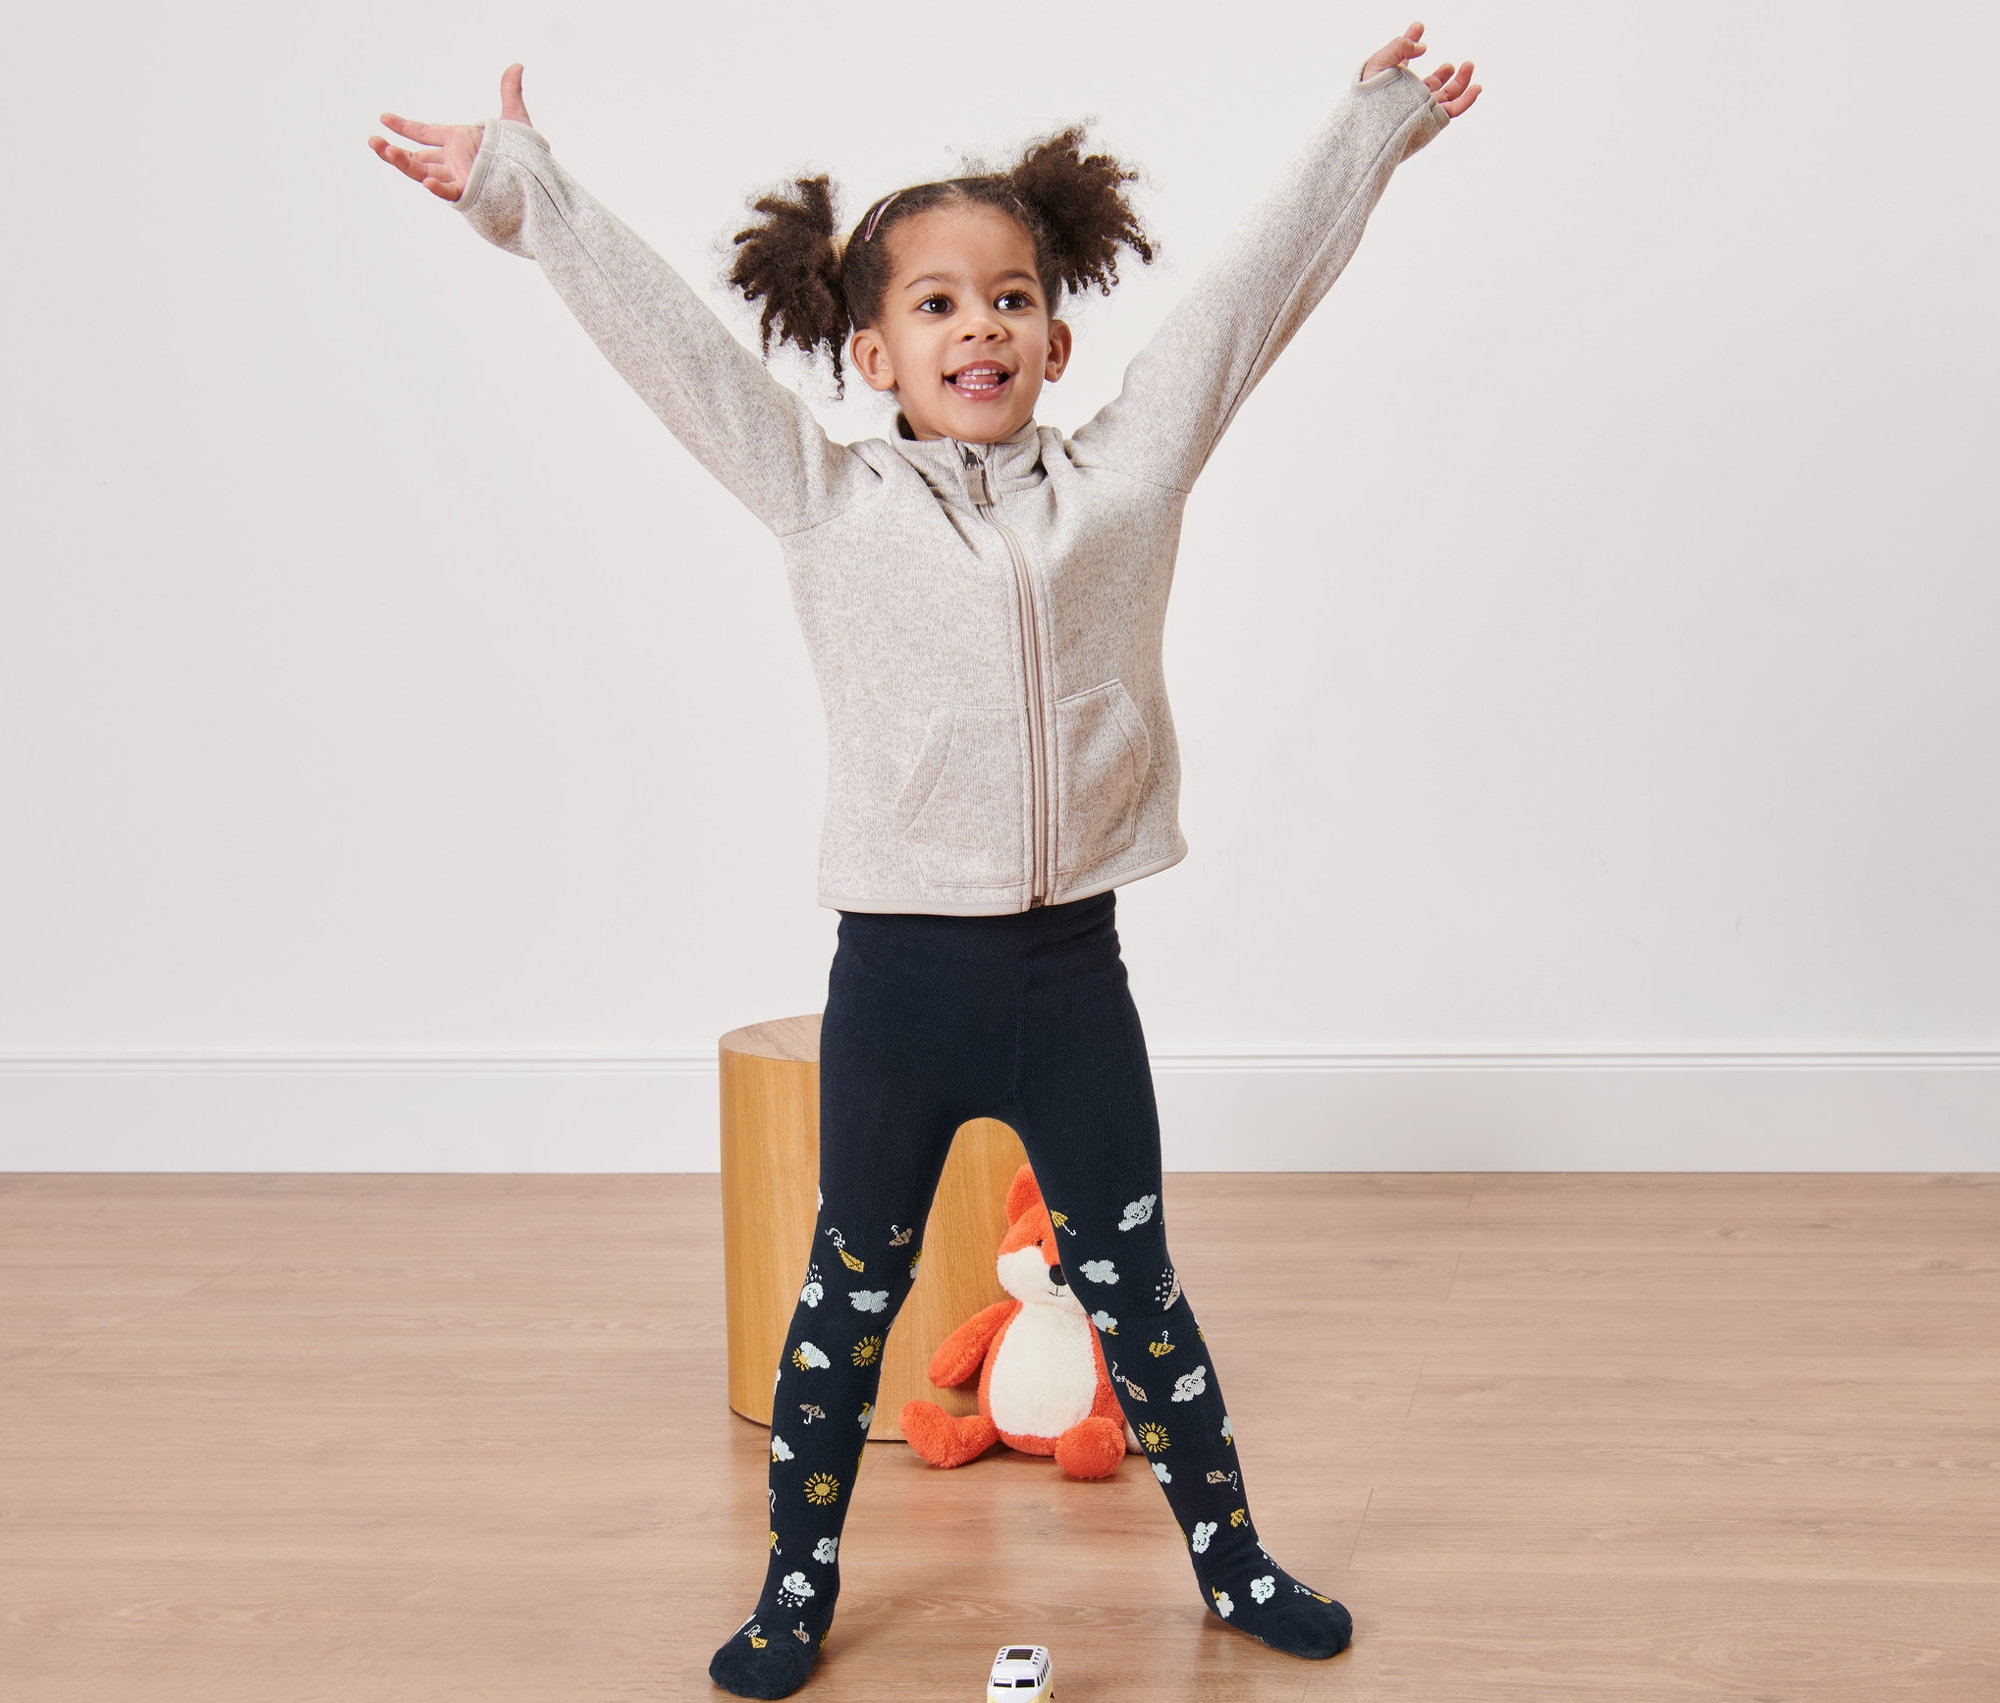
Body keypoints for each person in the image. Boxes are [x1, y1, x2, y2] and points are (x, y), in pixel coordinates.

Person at [371, 24, 1479, 1699]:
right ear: (873, 351)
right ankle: (794, 1588)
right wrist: (531, 195)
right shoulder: (826, 503)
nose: (982, 326)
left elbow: (1250, 305)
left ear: (1056, 334)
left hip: (1072, 978)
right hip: (898, 983)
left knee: (1140, 1291)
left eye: (1012, 298)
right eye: (940, 303)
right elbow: (681, 355)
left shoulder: (1128, 479)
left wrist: (1372, 127)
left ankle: (1235, 1563)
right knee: (849, 1298)